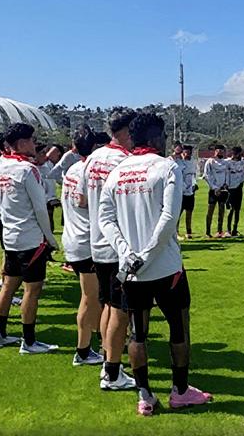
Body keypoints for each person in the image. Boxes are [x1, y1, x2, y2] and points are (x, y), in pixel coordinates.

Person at [98, 113, 211, 416]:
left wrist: (126, 252)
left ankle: (145, 396)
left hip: (131, 270)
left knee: (138, 332)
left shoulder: (117, 172)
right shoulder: (167, 166)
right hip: (164, 267)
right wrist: (146, 255)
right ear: (156, 138)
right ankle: (181, 391)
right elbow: (169, 218)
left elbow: (105, 220)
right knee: (178, 328)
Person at [0, 123, 60, 353]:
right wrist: (50, 238)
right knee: (32, 289)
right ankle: (28, 341)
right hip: (30, 238)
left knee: (9, 286)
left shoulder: (2, 167)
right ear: (21, 144)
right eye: (31, 140)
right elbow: (40, 208)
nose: (35, 144)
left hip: (10, 235)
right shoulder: (27, 170)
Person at [82, 109, 137, 390]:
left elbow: (81, 199)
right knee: (120, 310)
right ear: (127, 132)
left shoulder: (93, 157)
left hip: (97, 243)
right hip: (118, 245)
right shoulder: (124, 162)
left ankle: (107, 361)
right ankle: (112, 373)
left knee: (107, 305)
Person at [61, 132, 104, 366]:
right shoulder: (89, 172)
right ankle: (83, 351)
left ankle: (100, 340)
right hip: (85, 242)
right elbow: (84, 202)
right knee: (89, 298)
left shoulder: (73, 169)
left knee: (95, 298)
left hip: (75, 238)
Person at [204, 144, 229, 238]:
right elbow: (206, 176)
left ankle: (219, 231)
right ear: (215, 151)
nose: (220, 152)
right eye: (218, 151)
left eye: (222, 151)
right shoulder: (210, 162)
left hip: (223, 190)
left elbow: (227, 174)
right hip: (213, 190)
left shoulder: (225, 162)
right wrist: (214, 187)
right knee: (210, 210)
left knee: (221, 210)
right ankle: (207, 232)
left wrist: (225, 184)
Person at [225, 146, 244, 237]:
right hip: (230, 188)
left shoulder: (243, 162)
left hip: (239, 188)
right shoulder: (228, 162)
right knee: (230, 209)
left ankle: (235, 229)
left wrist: (241, 183)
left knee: (237, 210)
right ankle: (228, 230)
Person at [178, 145, 198, 239]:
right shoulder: (179, 163)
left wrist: (194, 184)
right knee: (178, 213)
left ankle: (188, 231)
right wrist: (184, 187)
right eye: (186, 152)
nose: (188, 154)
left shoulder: (193, 162)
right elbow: (179, 177)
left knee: (189, 212)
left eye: (189, 152)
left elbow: (194, 175)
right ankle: (176, 232)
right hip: (181, 191)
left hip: (191, 191)